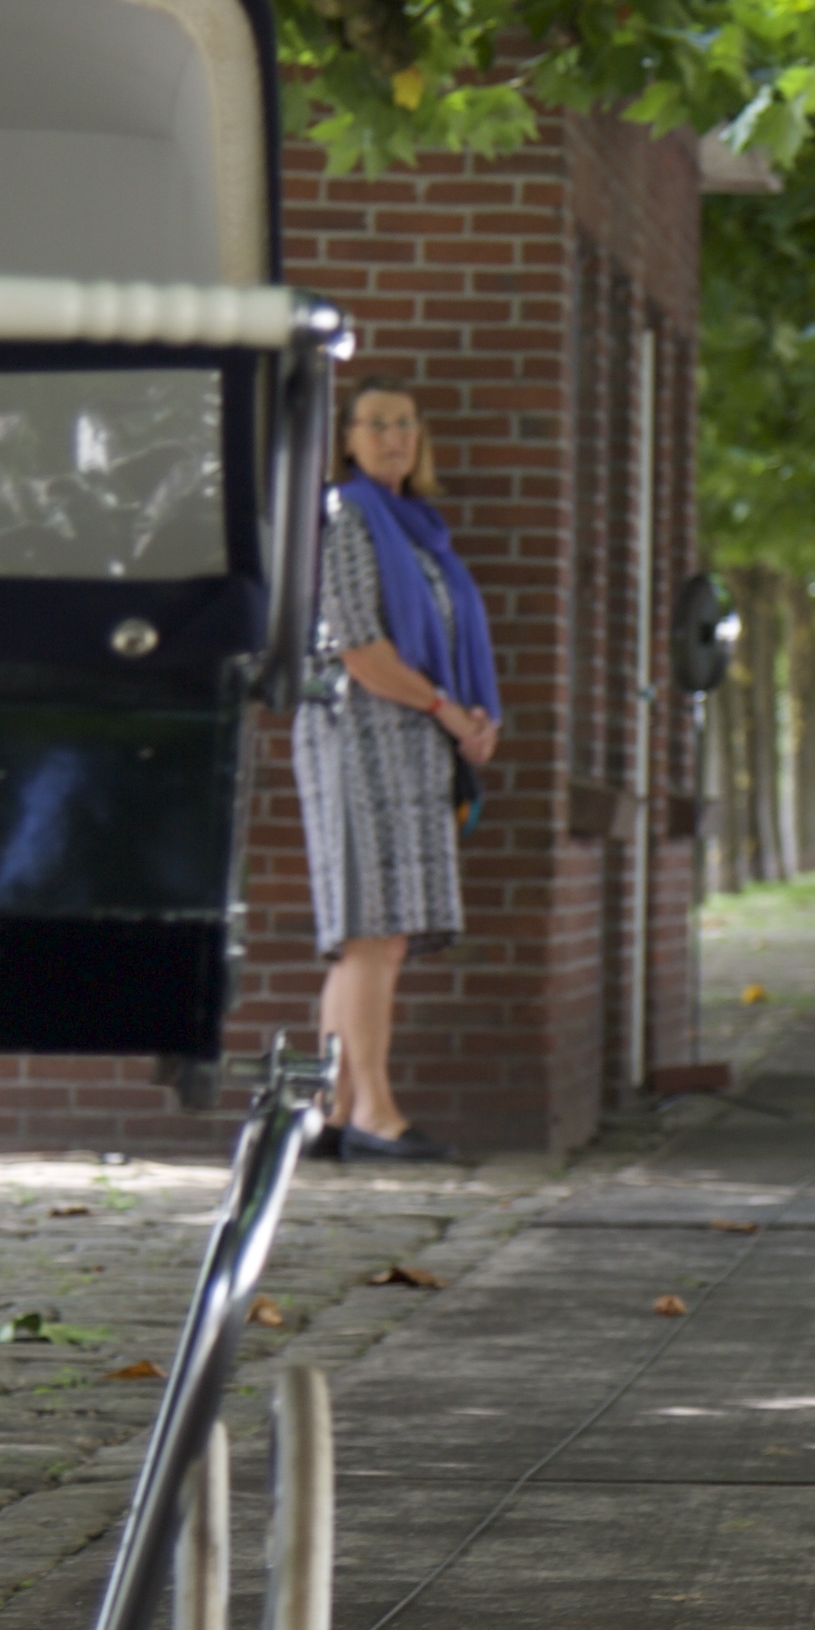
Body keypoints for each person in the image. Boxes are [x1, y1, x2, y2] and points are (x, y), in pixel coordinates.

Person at [297, 376, 499, 1165]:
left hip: (410, 744)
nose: (394, 438)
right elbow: (354, 644)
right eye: (376, 424)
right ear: (346, 438)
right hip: (357, 736)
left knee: (380, 935)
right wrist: (449, 710)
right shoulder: (342, 514)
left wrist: (472, 717)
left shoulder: (418, 530)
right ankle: (375, 1110)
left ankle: (334, 1109)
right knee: (369, 934)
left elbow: (444, 642)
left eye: (407, 424)